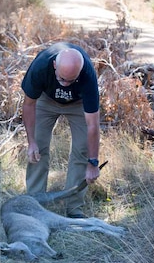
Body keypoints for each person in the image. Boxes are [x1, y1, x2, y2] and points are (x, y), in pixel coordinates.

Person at [21, 42, 100, 218]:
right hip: (46, 100)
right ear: (55, 65)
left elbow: (93, 124)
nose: (64, 84)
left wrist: (93, 162)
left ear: (79, 73)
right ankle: (35, 203)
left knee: (82, 150)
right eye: (61, 79)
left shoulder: (88, 75)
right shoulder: (41, 65)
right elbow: (28, 104)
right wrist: (31, 142)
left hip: (77, 104)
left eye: (70, 80)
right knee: (38, 148)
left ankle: (73, 209)